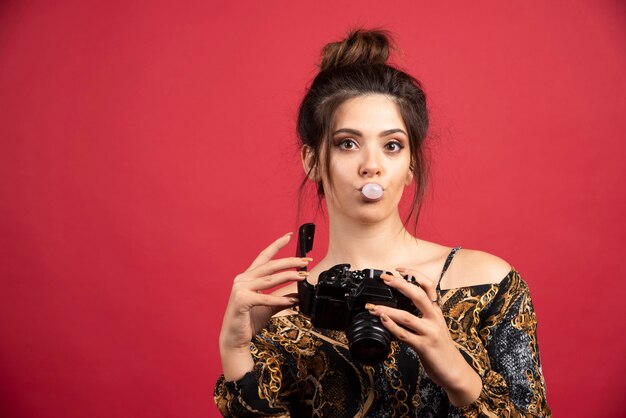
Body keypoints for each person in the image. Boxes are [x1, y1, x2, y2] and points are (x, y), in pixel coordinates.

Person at [214, 29, 551, 417]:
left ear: (410, 166)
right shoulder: (281, 309)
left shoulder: (489, 283)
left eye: (392, 145)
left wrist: (457, 372)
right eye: (347, 143)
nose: (371, 165)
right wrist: (235, 351)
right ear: (312, 161)